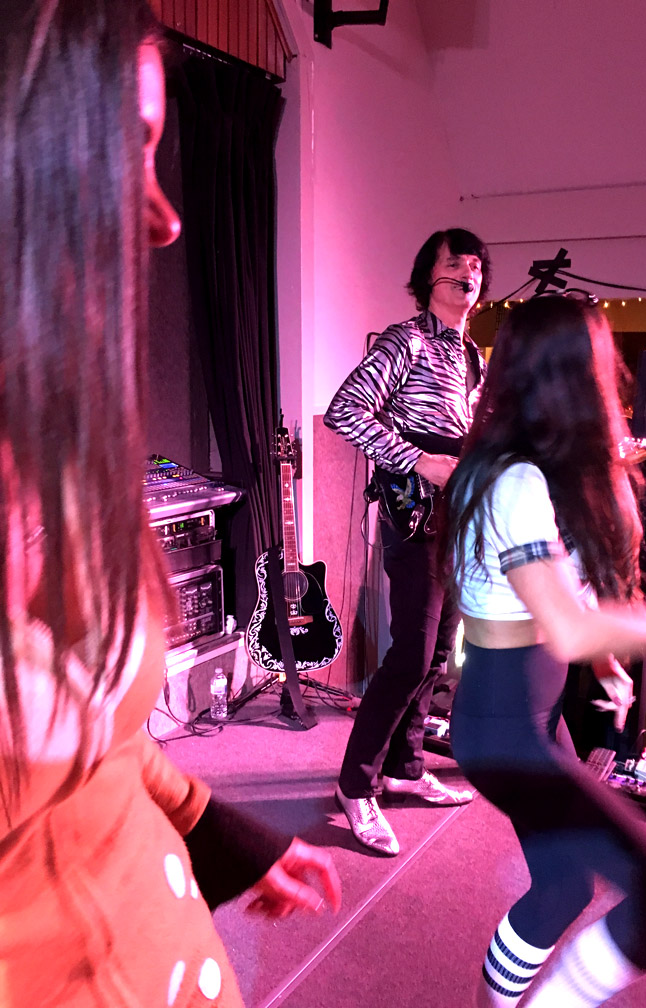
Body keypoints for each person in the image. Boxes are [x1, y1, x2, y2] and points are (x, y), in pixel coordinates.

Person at [0, 4, 339, 1006]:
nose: (165, 217)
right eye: (126, 149)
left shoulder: (56, 442)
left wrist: (218, 834)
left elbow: (105, 738)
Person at [443, 296, 646, 1007]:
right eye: (598, 362)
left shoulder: (532, 471)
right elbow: (569, 628)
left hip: (524, 718)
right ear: (568, 375)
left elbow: (559, 606)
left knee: (562, 888)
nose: (609, 380)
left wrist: (607, 661)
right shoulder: (515, 480)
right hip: (503, 731)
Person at [323, 228, 490, 854]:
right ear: (428, 277)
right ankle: (355, 784)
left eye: (476, 265)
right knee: (413, 654)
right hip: (415, 508)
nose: (469, 273)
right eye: (456, 263)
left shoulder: (474, 354)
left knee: (440, 649)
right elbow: (345, 410)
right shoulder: (407, 340)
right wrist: (417, 459)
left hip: (459, 511)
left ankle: (405, 767)